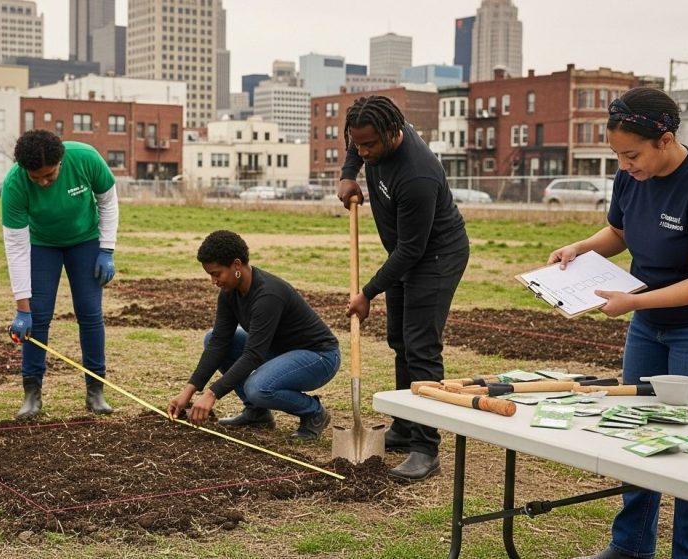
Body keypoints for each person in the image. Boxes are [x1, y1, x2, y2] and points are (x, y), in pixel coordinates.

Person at [560, 88, 688, 559]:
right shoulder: (632, 177)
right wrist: (581, 248)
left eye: (632, 154)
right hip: (648, 320)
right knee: (636, 427)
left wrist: (633, 301)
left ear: (664, 140)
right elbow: (619, 232)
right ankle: (630, 547)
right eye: (618, 155)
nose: (624, 166)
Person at [337, 95, 470, 482]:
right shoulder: (370, 132)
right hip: (404, 254)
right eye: (357, 144)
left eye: (369, 145)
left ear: (393, 132)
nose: (363, 151)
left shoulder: (418, 174)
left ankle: (426, 449)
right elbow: (354, 144)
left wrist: (368, 292)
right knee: (399, 340)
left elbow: (413, 249)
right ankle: (406, 423)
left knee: (421, 345)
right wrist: (349, 172)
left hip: (436, 257)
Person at [166, 230, 341, 440]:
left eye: (216, 273)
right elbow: (219, 344)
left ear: (237, 265)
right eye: (210, 275)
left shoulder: (268, 295)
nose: (213, 281)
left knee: (258, 387)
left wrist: (212, 394)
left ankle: (314, 412)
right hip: (279, 351)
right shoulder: (229, 294)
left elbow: (254, 355)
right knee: (211, 338)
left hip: (318, 357)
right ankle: (256, 413)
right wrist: (188, 391)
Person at [2, 130, 119, 419]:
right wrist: (21, 307)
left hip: (86, 241)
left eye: (49, 176)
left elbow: (107, 201)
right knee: (38, 316)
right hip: (42, 245)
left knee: (90, 313)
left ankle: (96, 390)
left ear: (61, 162)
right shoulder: (14, 184)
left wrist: (106, 249)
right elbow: (16, 248)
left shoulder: (86, 158)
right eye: (36, 177)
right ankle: (32, 393)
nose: (43, 183)